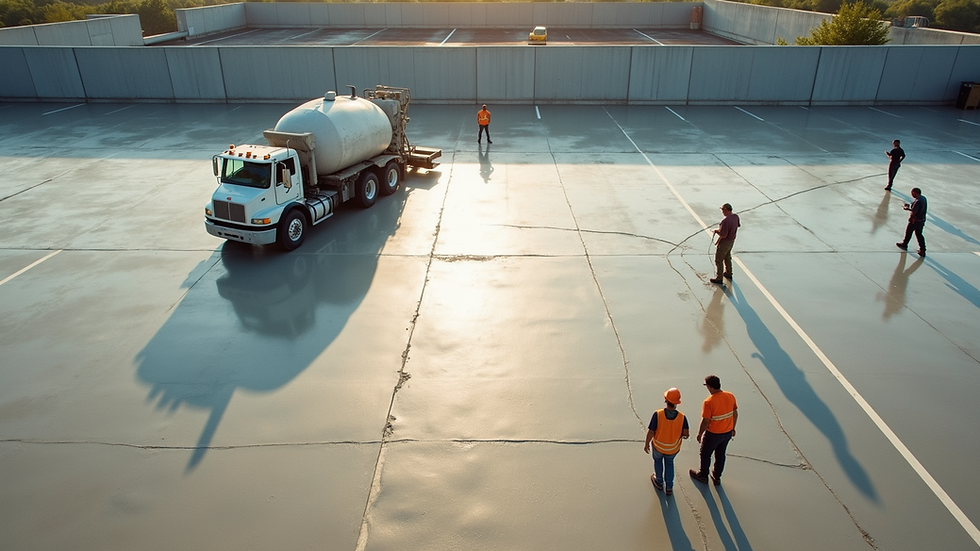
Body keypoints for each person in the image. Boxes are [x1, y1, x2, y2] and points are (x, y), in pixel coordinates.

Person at [690, 375, 737, 486]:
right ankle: (717, 477)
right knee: (720, 454)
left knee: (705, 454)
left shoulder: (709, 402)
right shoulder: (730, 396)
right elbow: (735, 413)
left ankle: (703, 475)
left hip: (713, 434)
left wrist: (700, 434)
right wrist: (733, 428)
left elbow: (706, 421)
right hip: (727, 433)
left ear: (710, 387)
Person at [644, 388, 690, 496]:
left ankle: (659, 481)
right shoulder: (682, 417)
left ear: (666, 400)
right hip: (673, 449)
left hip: (658, 447)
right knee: (669, 464)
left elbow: (651, 431)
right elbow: (686, 434)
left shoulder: (658, 414)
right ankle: (669, 487)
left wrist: (646, 444)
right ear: (677, 403)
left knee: (658, 461)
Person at [710, 203, 740, 285]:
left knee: (719, 260)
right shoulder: (735, 217)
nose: (722, 212)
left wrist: (717, 231)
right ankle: (729, 273)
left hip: (725, 243)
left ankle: (719, 278)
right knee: (727, 256)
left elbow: (723, 234)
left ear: (726, 210)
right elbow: (737, 226)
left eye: (723, 210)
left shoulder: (725, 221)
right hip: (731, 241)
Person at [896, 187, 927, 256]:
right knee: (919, 234)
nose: (912, 195)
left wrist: (906, 208)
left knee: (909, 232)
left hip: (915, 221)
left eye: (912, 193)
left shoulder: (918, 201)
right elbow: (915, 206)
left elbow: (914, 211)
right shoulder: (923, 198)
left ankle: (904, 244)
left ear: (915, 193)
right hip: (921, 220)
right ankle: (923, 249)